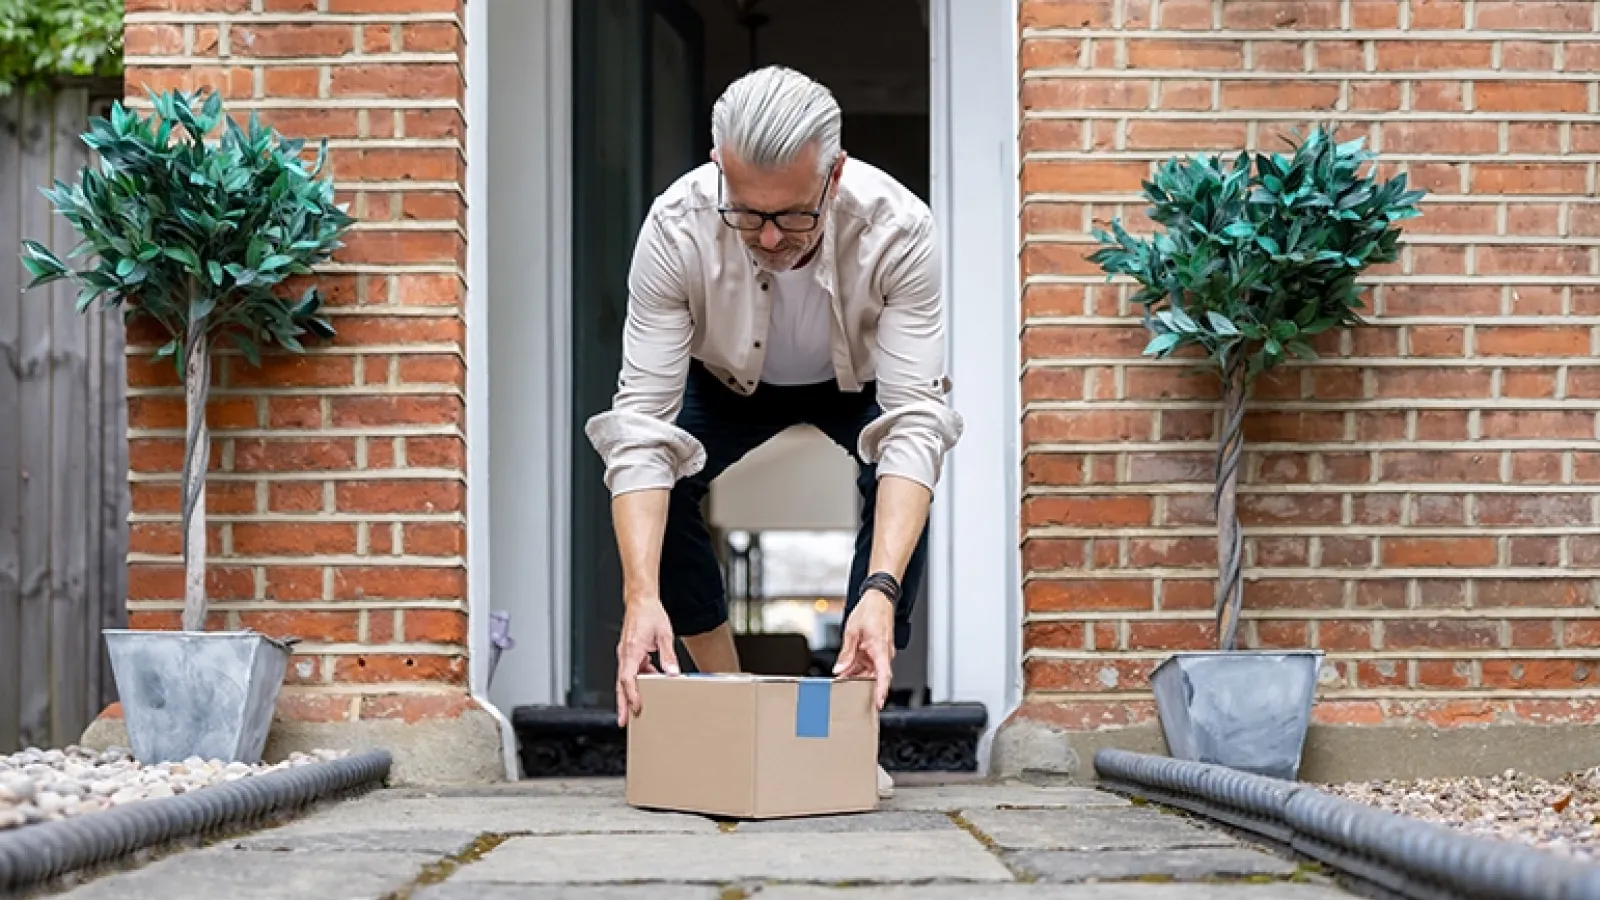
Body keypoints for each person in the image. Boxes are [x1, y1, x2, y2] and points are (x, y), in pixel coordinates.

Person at [584, 65, 964, 798]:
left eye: (792, 215)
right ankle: (738, 712)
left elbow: (914, 422)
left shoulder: (901, 228)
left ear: (834, 174)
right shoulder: (675, 226)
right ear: (719, 167)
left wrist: (880, 592)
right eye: (745, 212)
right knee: (662, 487)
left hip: (855, 382)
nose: (765, 236)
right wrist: (639, 597)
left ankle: (849, 725)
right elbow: (639, 427)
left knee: (898, 485)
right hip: (724, 380)